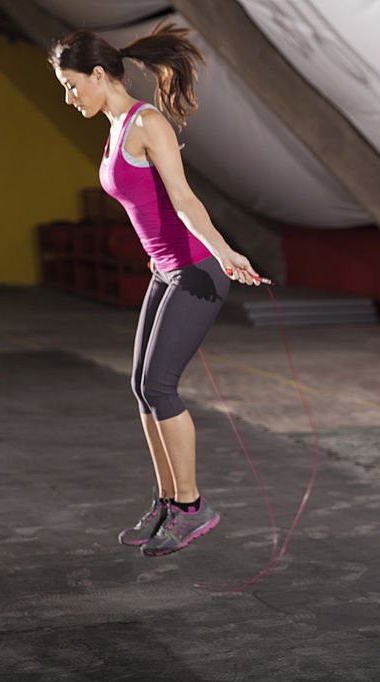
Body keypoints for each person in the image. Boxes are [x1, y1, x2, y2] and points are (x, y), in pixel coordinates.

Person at [49, 22, 265, 558]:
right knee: (142, 387)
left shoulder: (148, 123)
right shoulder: (116, 124)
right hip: (165, 269)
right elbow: (147, 205)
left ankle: (192, 507)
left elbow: (186, 201)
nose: (68, 96)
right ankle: (168, 501)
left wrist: (223, 252)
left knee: (161, 386)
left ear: (99, 75)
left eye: (72, 84)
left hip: (196, 270)